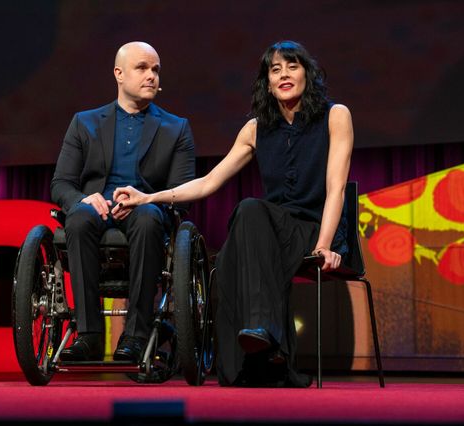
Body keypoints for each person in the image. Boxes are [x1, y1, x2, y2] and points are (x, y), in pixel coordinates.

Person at [114, 40, 353, 386]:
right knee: (226, 261)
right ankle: (257, 360)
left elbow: (336, 189)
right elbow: (209, 182)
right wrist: (148, 198)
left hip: (314, 230)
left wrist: (325, 245)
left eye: (292, 66)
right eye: (275, 69)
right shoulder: (256, 129)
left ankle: (263, 333)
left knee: (251, 211)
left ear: (307, 73)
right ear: (267, 81)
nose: (284, 74)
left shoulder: (335, 115)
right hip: (269, 234)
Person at [50, 41, 196, 363]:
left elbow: (182, 193)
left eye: (155, 70)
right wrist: (83, 199)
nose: (151, 76)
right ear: (119, 73)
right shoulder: (84, 122)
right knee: (77, 218)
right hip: (96, 207)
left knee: (146, 219)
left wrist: (146, 201)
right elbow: (61, 184)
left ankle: (135, 336)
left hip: (147, 209)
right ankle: (88, 335)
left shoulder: (176, 128)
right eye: (142, 68)